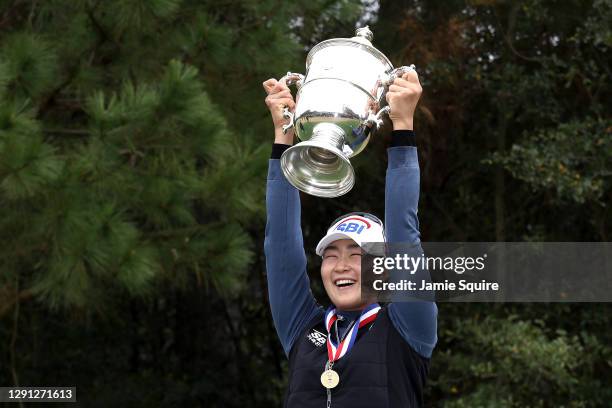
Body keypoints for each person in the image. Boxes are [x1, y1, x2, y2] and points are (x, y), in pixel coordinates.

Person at [262, 69, 437, 408]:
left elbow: (404, 230)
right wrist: (283, 134)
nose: (341, 266)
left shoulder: (407, 327)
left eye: (357, 256)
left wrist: (403, 126)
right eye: (331, 255)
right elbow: (280, 245)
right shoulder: (304, 327)